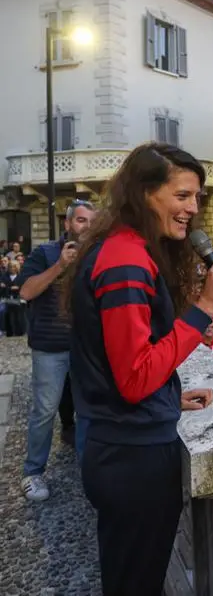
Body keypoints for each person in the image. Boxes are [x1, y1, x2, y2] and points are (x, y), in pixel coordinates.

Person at [64, 144, 213, 595]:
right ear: (144, 193)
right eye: (182, 196)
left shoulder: (123, 249)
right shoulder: (125, 261)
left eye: (196, 198)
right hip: (132, 458)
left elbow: (112, 363)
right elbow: (135, 377)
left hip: (123, 445)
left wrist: (169, 394)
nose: (192, 210)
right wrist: (204, 308)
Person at [18, 199, 96, 501]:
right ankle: (33, 472)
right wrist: (60, 266)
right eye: (80, 220)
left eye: (91, 221)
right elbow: (26, 291)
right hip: (50, 347)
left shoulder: (97, 256)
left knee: (88, 409)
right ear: (67, 224)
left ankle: (89, 470)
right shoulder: (45, 253)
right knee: (44, 411)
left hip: (86, 347)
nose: (86, 227)